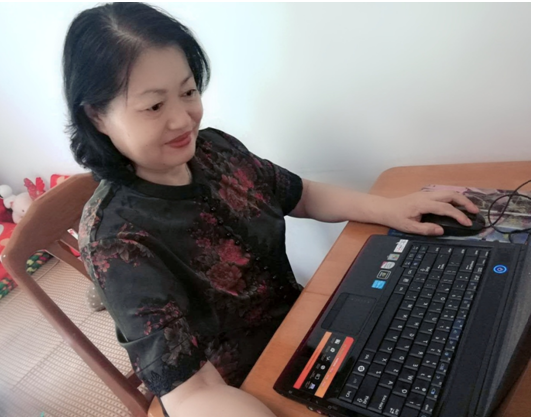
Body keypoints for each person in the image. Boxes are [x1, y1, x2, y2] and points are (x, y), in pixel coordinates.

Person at [63, 2, 479, 416]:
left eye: (188, 92)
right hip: (244, 389)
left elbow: (301, 195)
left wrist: (389, 208)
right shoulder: (115, 239)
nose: (183, 120)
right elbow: (190, 392)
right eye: (154, 106)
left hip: (307, 330)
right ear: (97, 116)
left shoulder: (214, 149)